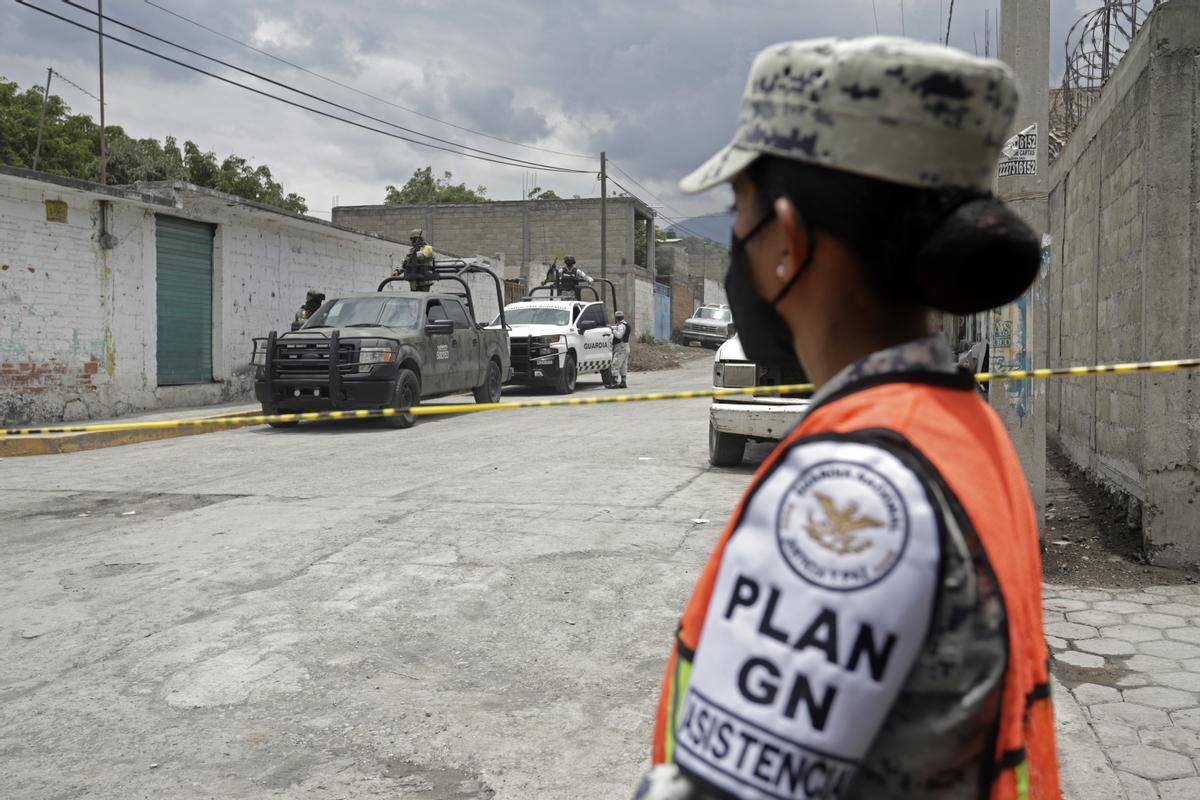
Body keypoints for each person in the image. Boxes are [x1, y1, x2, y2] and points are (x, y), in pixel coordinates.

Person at [637, 37, 1059, 800]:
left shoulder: (852, 492)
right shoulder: (962, 425)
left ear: (788, 242)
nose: (736, 245)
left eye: (740, 214)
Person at [608, 310, 631, 389]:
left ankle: (614, 382)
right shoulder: (625, 324)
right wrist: (612, 327)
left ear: (616, 318)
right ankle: (623, 382)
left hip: (620, 347)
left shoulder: (621, 326)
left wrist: (613, 330)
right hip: (626, 347)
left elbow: (619, 335)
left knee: (615, 364)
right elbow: (618, 328)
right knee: (623, 365)